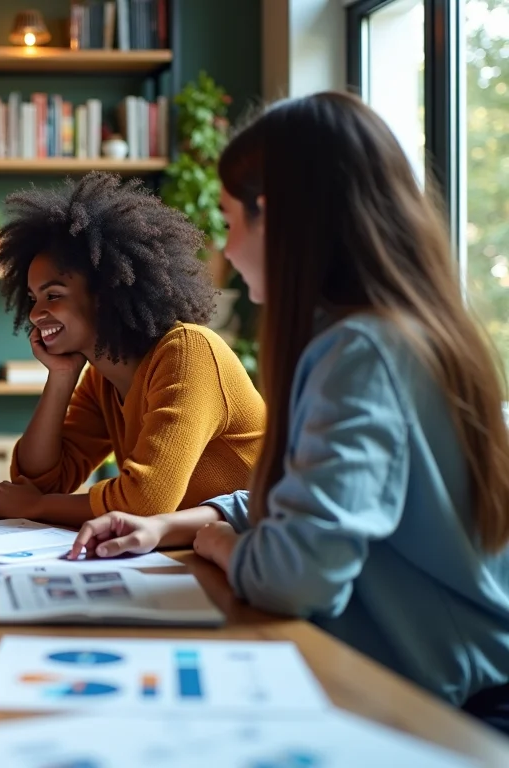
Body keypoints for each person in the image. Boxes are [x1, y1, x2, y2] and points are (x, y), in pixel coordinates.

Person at [69, 92, 509, 730]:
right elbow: (304, 496)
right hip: (428, 681)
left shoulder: (361, 353)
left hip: (452, 710)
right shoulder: (389, 334)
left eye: (229, 222)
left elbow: (297, 574)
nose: (225, 249)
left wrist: (218, 542)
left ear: (271, 217)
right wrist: (172, 526)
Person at [0, 173, 264, 525]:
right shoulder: (102, 378)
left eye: (53, 295)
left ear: (106, 294)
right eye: (33, 298)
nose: (36, 314)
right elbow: (38, 481)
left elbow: (146, 500)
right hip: (187, 547)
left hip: (258, 547)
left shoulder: (188, 353)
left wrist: (36, 508)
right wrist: (61, 377)